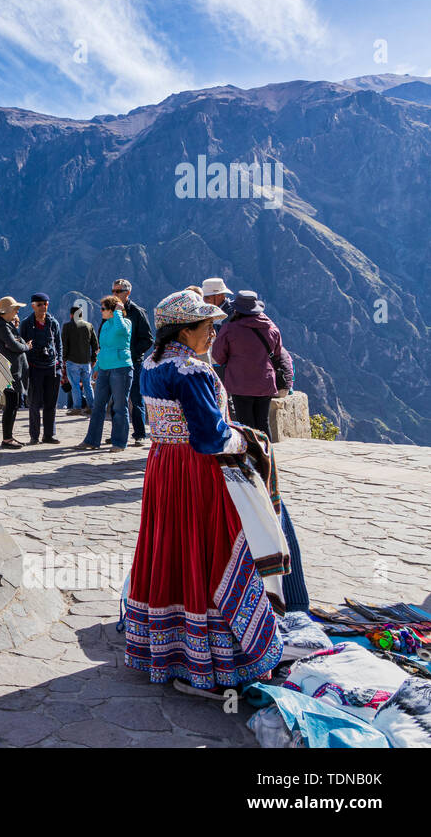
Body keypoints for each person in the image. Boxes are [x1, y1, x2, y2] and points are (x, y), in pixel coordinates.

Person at [124, 290, 304, 693]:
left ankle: (168, 645)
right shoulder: (193, 372)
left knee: (169, 544)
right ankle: (217, 653)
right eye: (206, 327)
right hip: (196, 471)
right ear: (184, 330)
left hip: (164, 466)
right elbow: (210, 437)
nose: (213, 333)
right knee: (214, 546)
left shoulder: (151, 364)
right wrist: (247, 440)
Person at [212, 290, 294, 435]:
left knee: (245, 424)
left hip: (240, 383)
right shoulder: (271, 328)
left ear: (237, 309)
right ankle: (267, 456)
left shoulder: (229, 329)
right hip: (265, 382)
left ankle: (251, 456)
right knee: (263, 422)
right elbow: (276, 353)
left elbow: (218, 357)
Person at [79, 296, 133, 452]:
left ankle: (119, 442)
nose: (101, 311)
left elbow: (122, 330)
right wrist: (97, 368)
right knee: (98, 406)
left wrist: (118, 312)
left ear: (112, 310)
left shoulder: (125, 322)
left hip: (121, 368)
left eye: (103, 309)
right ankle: (92, 440)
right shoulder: (105, 325)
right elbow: (102, 348)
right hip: (105, 369)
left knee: (120, 407)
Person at [111, 279, 155, 446]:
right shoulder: (112, 310)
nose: (114, 294)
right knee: (116, 399)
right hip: (115, 362)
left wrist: (132, 353)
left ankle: (140, 433)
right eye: (113, 291)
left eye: (118, 291)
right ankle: (118, 434)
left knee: (136, 398)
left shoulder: (137, 312)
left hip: (133, 362)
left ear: (127, 293)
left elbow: (148, 339)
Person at [19, 294, 62, 444]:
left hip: (52, 368)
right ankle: (34, 436)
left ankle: (49, 435)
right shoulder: (26, 324)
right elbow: (21, 345)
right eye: (40, 304)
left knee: (51, 403)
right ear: (33, 306)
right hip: (34, 368)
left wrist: (60, 364)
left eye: (46, 304)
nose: (43, 307)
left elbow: (59, 344)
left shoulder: (53, 323)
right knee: (34, 404)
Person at [0, 296, 29, 449]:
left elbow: (15, 342)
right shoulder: (2, 327)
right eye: (15, 309)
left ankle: (9, 437)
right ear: (7, 311)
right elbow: (14, 345)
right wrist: (27, 347)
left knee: (13, 405)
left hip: (14, 370)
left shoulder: (6, 325)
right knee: (11, 405)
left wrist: (19, 338)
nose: (17, 312)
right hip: (10, 371)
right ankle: (7, 439)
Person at [61, 304, 98, 416]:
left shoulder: (67, 326)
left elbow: (64, 344)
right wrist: (93, 359)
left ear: (71, 315)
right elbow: (95, 345)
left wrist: (64, 358)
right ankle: (92, 407)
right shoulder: (89, 326)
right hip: (86, 361)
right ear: (81, 315)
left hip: (72, 361)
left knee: (75, 385)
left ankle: (77, 408)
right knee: (87, 384)